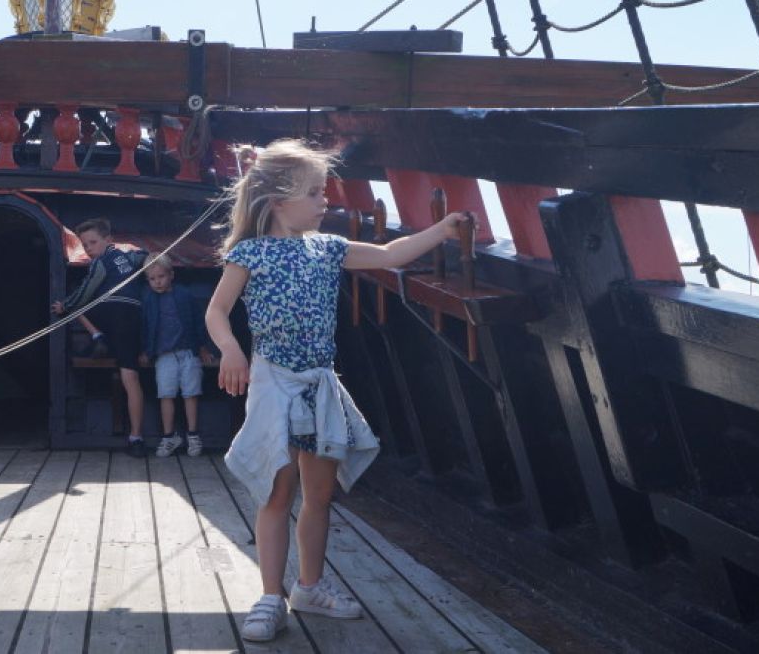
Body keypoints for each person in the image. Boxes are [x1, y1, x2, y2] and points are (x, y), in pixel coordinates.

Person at [205, 139, 469, 643]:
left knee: (319, 495)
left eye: (323, 191)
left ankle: (309, 586)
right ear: (279, 201)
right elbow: (217, 310)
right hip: (273, 382)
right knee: (278, 492)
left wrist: (441, 229)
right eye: (314, 192)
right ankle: (269, 596)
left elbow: (391, 253)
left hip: (319, 383)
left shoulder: (329, 248)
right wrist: (230, 350)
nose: (325, 201)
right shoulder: (250, 252)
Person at [51, 217, 149, 457]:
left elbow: (87, 290)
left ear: (108, 240)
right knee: (131, 377)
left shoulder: (99, 262)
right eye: (85, 245)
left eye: (93, 242)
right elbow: (146, 256)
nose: (89, 249)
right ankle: (136, 437)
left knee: (77, 305)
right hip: (133, 316)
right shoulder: (129, 257)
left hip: (111, 312)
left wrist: (65, 305)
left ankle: (97, 337)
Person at [139, 254, 216, 457]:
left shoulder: (184, 295)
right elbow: (145, 327)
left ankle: (193, 435)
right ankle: (169, 436)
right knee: (166, 394)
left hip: (188, 352)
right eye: (152, 279)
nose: (157, 282)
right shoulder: (148, 298)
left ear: (171, 275)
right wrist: (146, 351)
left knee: (191, 393)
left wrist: (203, 347)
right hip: (164, 355)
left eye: (161, 276)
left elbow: (198, 322)